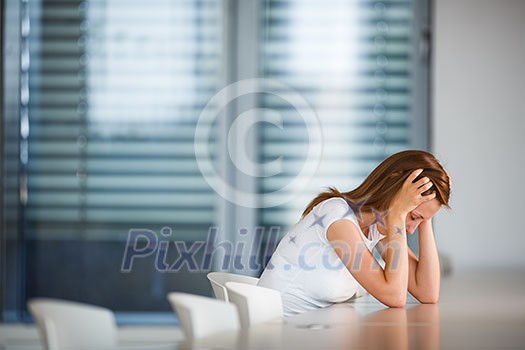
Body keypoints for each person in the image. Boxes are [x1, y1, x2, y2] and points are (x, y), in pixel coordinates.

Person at [258, 150, 451, 316]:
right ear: (393, 188)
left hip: (310, 330)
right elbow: (395, 296)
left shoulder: (376, 227)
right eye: (413, 217)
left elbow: (427, 293)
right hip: (277, 333)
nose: (410, 230)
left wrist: (425, 217)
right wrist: (399, 214)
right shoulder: (337, 215)